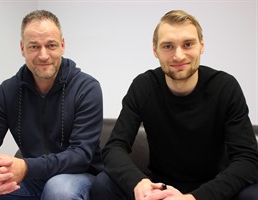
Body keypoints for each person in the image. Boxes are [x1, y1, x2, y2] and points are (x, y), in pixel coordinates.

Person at [91, 10, 258, 200]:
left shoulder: (225, 87)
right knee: (102, 185)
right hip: (160, 187)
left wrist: (192, 198)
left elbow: (247, 160)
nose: (178, 56)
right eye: (168, 46)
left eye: (188, 44)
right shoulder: (143, 86)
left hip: (213, 189)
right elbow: (114, 147)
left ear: (201, 46)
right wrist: (139, 183)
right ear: (155, 50)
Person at [0, 9, 103, 200]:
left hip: (78, 177)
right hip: (32, 178)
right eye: (34, 46)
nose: (43, 55)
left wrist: (26, 167)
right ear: (22, 48)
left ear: (62, 45)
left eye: (51, 45)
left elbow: (80, 156)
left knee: (58, 189)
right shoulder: (8, 91)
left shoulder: (87, 88)